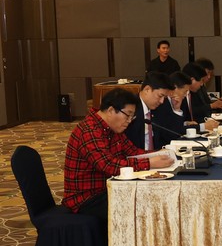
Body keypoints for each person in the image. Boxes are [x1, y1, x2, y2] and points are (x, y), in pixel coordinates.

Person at [62, 89, 174, 221]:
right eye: (127, 115)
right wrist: (150, 163)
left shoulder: (112, 129)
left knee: (148, 197)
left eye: (132, 117)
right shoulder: (89, 131)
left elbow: (133, 152)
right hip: (86, 198)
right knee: (141, 207)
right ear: (110, 110)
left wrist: (159, 153)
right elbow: (108, 165)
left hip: (108, 189)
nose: (129, 121)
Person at [125, 71, 174, 151]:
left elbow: (168, 135)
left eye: (164, 98)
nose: (162, 101)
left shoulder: (158, 109)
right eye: (160, 96)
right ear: (147, 89)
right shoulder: (130, 108)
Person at [153, 71, 191, 147]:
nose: (186, 95)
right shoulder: (161, 103)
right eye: (185, 91)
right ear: (175, 87)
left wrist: (177, 109)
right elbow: (171, 134)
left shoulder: (176, 101)